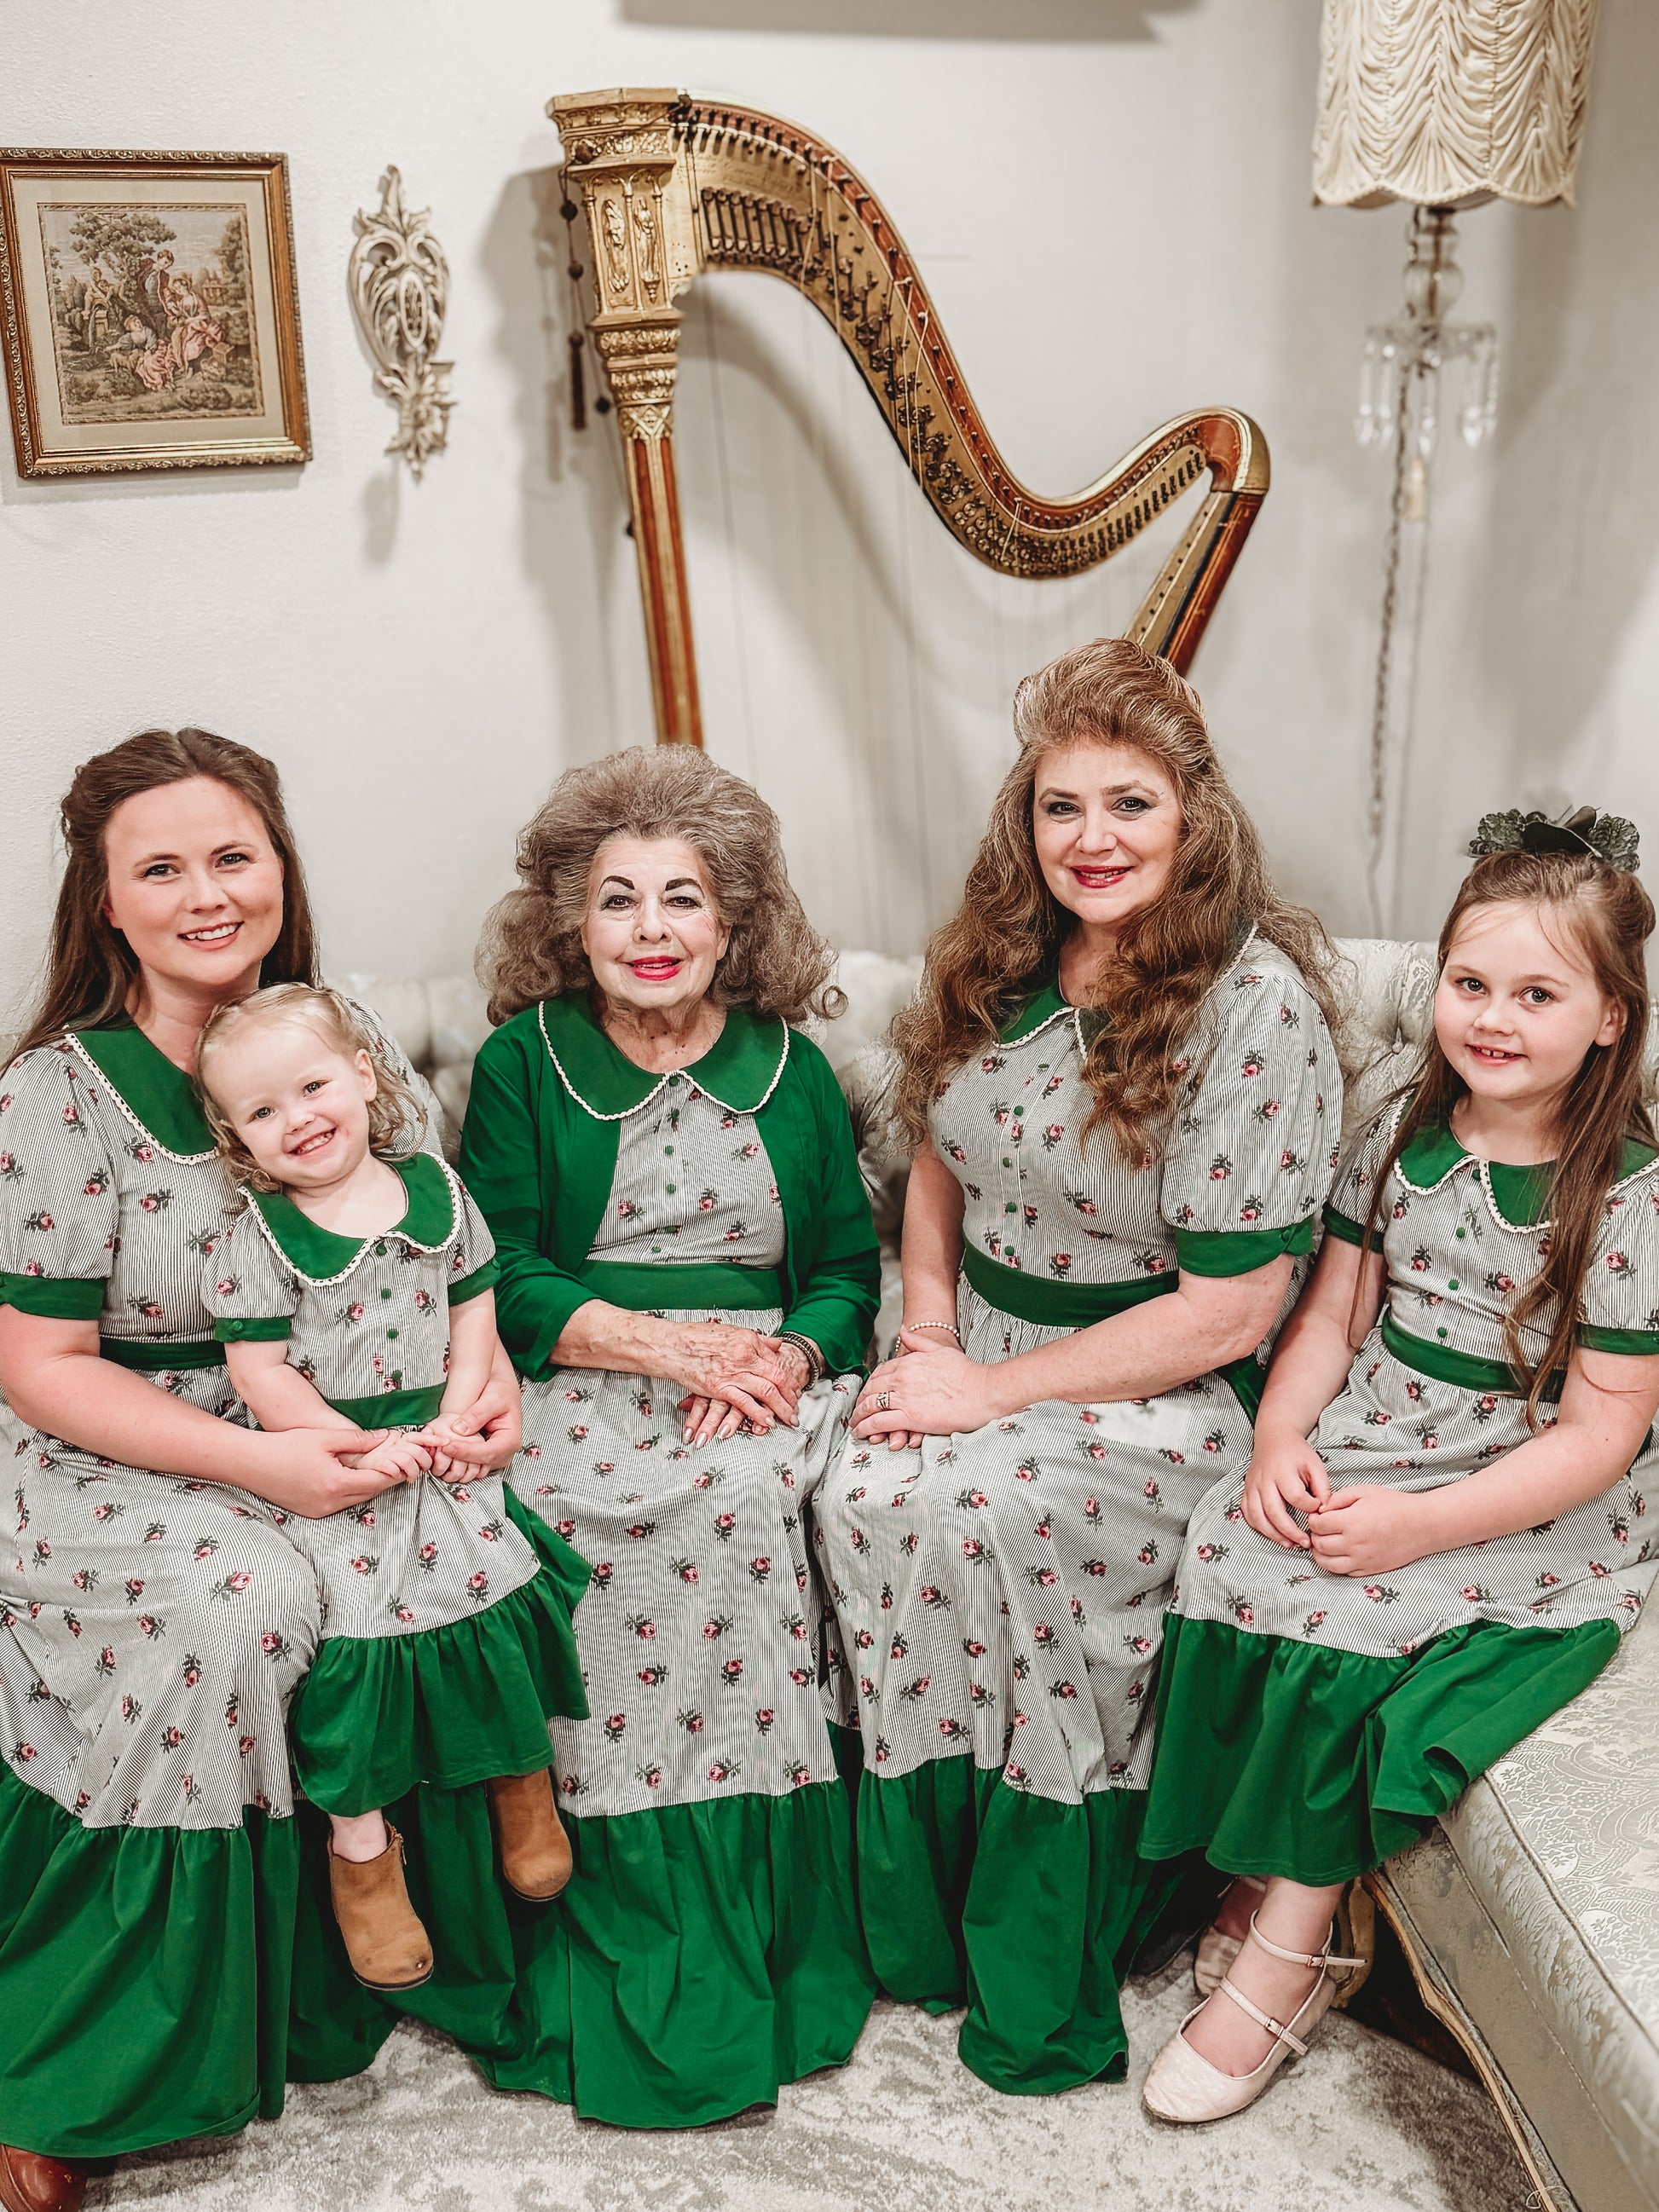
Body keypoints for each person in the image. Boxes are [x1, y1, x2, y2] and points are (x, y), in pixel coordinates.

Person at [0, 731, 555, 2212]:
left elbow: (441, 1244)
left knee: (492, 1547)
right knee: (242, 1603)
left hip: (361, 1410)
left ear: (280, 868)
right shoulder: (59, 1095)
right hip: (128, 1431)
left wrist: (488, 1389)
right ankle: (81, 2055)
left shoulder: (336, 1030)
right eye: (161, 869)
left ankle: (446, 1933)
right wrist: (266, 1461)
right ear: (104, 901)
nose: (207, 894)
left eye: (233, 856)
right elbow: (42, 1367)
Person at [818, 637, 1344, 2094]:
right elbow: (939, 1156)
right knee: (864, 1498)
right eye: (1062, 806)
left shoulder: (1251, 1007)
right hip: (973, 1344)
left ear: (1193, 816)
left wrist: (986, 1397)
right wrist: (929, 1334)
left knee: (988, 1512)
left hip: (1155, 1382)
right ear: (1025, 819)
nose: (1092, 839)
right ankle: (921, 1928)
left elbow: (1230, 1310)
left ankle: (1057, 1927)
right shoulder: (1000, 957)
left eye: (1129, 803)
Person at [1139, 814, 1659, 2123]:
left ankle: (1290, 1948)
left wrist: (1420, 1530)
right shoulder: (1392, 1124)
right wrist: (1279, 1438)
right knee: (1231, 1547)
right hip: (1382, 1422)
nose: (1492, 1016)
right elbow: (1328, 1317)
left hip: (1522, 1478)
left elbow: (1600, 1434)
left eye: (1536, 993)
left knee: (1350, 1621)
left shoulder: (1627, 1197)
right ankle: (1258, 1859)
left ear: (1608, 1017)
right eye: (1469, 981)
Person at [456, 744, 883, 2128]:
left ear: (732, 920)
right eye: (617, 898)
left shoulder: (794, 1068)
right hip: (586, 1366)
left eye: (682, 897)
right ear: (570, 923)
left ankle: (757, 1948)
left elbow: (845, 1271)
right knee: (568, 1519)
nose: (651, 929)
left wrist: (786, 1354)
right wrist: (662, 1345)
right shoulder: (524, 1063)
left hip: (760, 1380)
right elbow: (498, 1269)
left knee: (747, 1506)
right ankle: (615, 1929)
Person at [195, 984, 575, 1994]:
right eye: (262, 1111)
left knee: (496, 1591)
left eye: (313, 1087)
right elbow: (261, 1377)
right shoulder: (258, 1236)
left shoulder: (434, 1190)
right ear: (236, 1135)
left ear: (363, 1077)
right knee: (353, 1641)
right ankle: (361, 1848)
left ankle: (521, 1782)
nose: (297, 1119)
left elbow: (473, 1307)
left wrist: (457, 1411)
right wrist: (353, 1447)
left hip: (438, 1439)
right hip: (333, 1459)